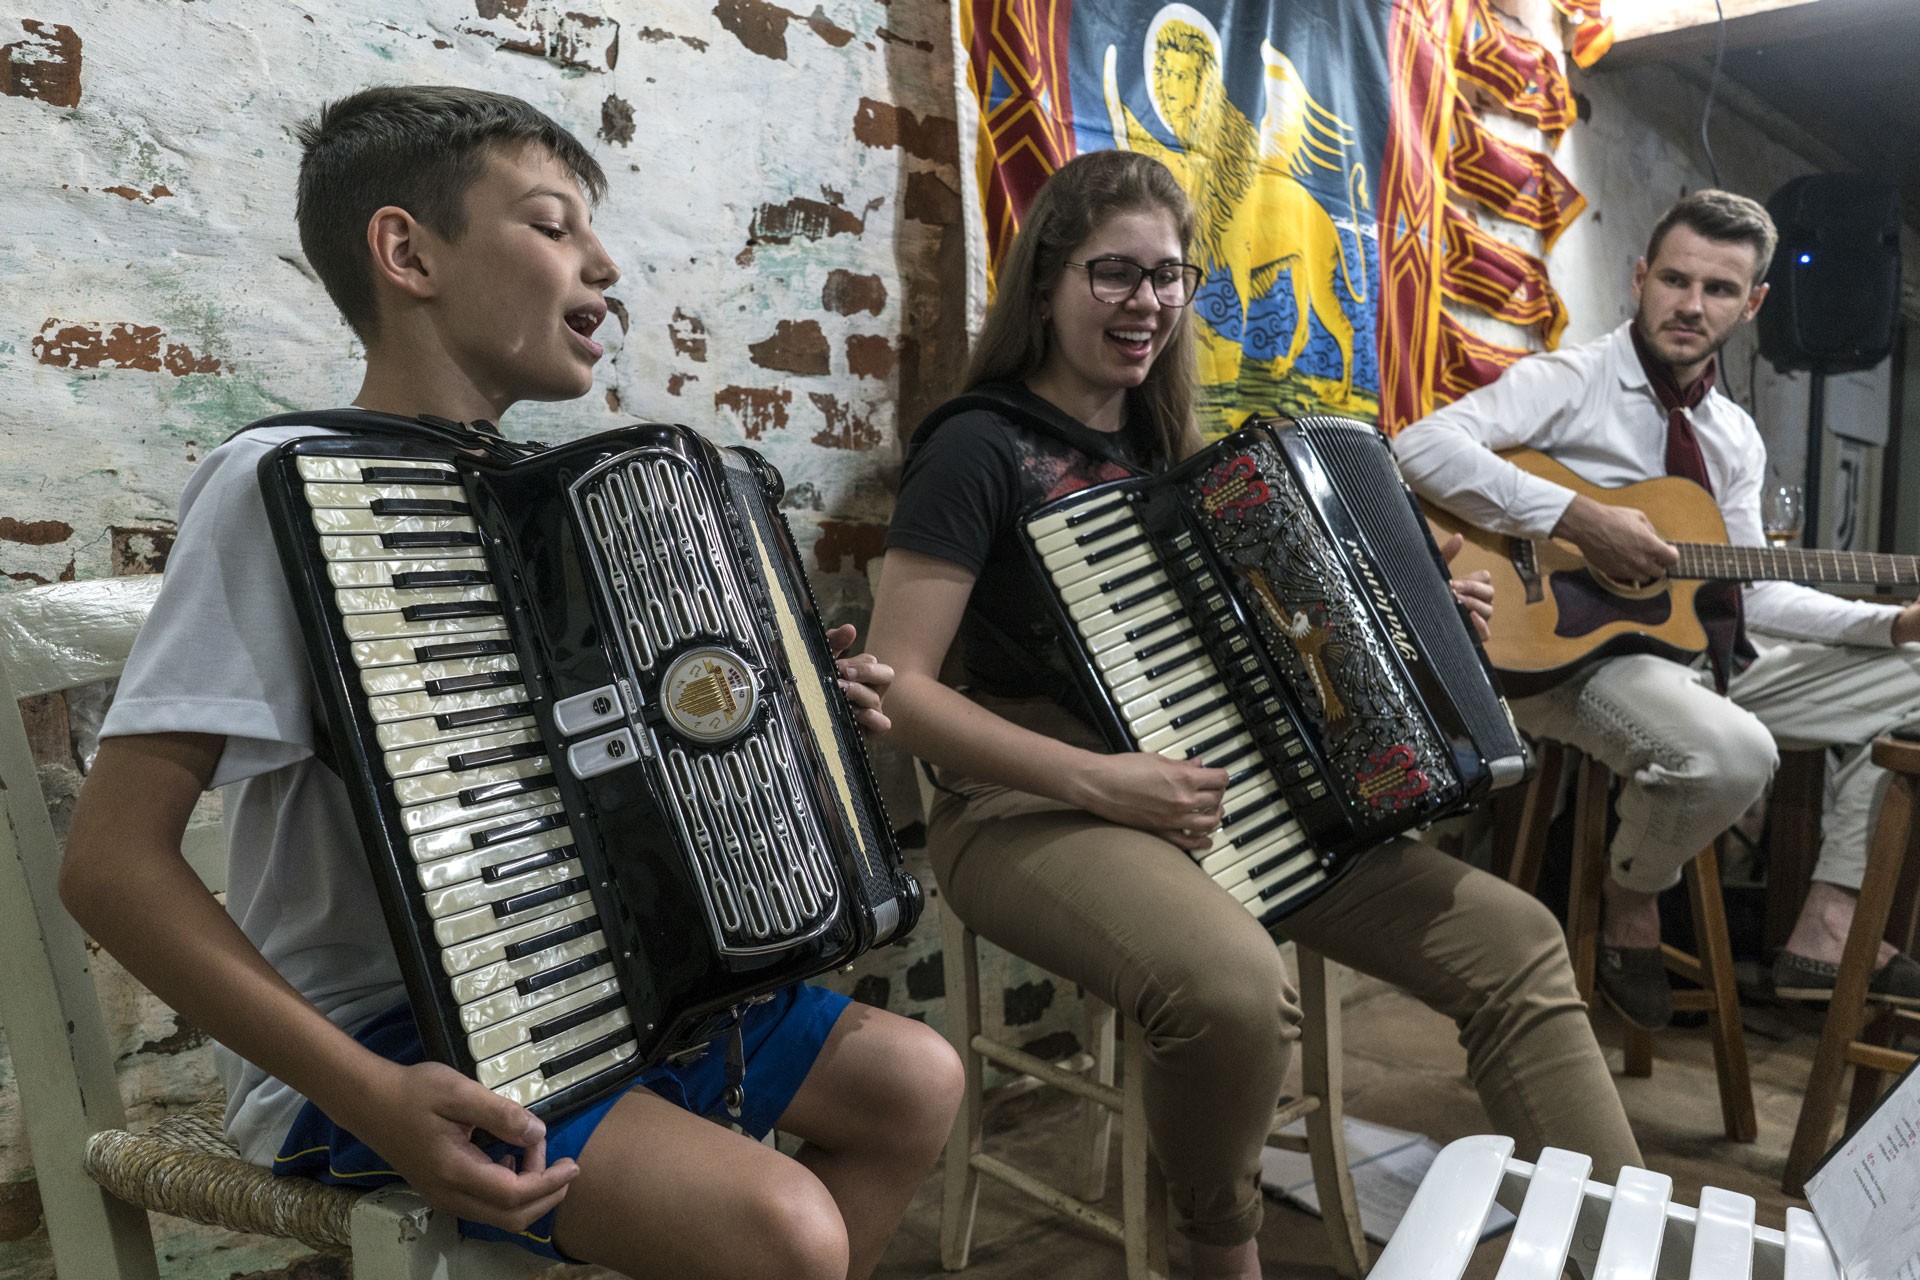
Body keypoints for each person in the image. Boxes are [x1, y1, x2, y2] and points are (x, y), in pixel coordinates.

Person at [57, 85, 961, 1280]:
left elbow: (612, 778)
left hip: (606, 995)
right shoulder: (276, 482)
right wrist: (371, 1090)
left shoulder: (552, 512)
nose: (605, 262)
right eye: (552, 224)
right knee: (783, 1228)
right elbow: (110, 863)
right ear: (407, 252)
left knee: (917, 1079)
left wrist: (789, 738)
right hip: (384, 1041)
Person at [865, 148, 1642, 1280]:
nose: (1147, 304)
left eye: (1169, 278)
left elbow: (1275, 652)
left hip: (1230, 797)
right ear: (1046, 283)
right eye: (1115, 274)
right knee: (1235, 987)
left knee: (1514, 940)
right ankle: (1216, 1251)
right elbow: (897, 688)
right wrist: (1098, 780)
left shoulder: (1173, 449)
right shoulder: (976, 447)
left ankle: (1627, 1251)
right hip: (1027, 805)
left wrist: (1417, 629)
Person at [1394, 188, 1920, 1031]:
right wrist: (1574, 518)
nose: (1690, 304)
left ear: (1752, 305)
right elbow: (1419, 446)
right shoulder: (1574, 380)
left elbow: (1747, 591)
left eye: (1718, 290)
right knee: (1734, 756)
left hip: (1699, 663)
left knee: (1918, 670)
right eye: (1674, 279)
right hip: (1571, 657)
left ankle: (1829, 922)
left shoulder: (1734, 437)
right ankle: (1630, 893)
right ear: (1640, 278)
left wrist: (1885, 624)